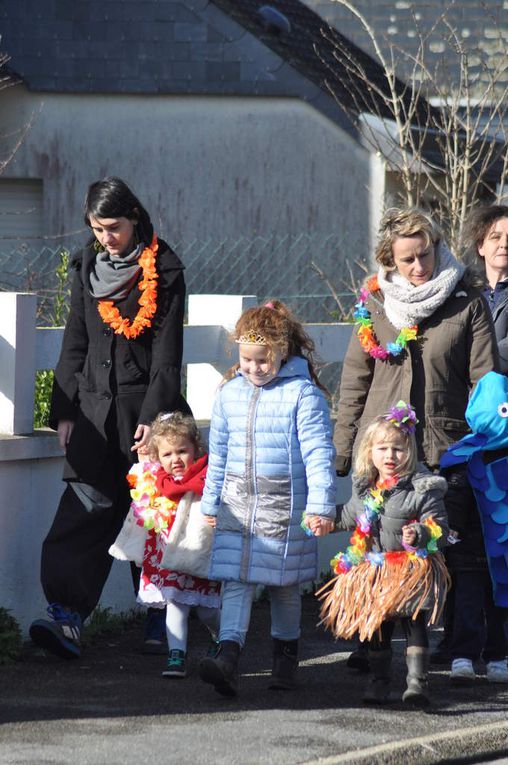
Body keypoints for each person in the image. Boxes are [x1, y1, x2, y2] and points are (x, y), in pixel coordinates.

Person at [29, 177, 190, 659]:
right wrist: (64, 413)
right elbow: (74, 341)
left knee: (152, 518)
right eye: (97, 228)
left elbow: (167, 356)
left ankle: (160, 619)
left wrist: (154, 418)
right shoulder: (84, 266)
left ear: (134, 218)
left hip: (147, 418)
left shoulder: (164, 268)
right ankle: (67, 621)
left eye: (114, 227)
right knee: (83, 515)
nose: (105, 237)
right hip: (93, 417)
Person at [333, 207, 498, 669]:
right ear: (389, 260)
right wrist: (345, 448)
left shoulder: (466, 301)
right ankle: (372, 644)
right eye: (407, 260)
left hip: (445, 447)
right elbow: (354, 381)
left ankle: (459, 648)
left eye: (424, 255)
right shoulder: (374, 306)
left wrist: (485, 443)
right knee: (374, 546)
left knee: (453, 545)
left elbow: (485, 382)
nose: (419, 267)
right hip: (381, 448)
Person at [198, 300, 336, 697]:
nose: (254, 368)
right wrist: (210, 503)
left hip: (285, 509)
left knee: (283, 586)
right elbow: (218, 453)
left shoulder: (302, 395)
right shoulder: (229, 394)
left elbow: (318, 453)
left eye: (263, 360)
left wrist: (321, 505)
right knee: (236, 580)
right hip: (236, 506)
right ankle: (227, 656)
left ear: (282, 352)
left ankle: (285, 657)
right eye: (246, 360)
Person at [319, 402, 449, 706]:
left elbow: (440, 526)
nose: (390, 456)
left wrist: (421, 533)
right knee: (378, 628)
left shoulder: (422, 489)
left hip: (409, 571)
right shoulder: (364, 489)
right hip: (375, 571)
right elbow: (350, 516)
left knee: (414, 625)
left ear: (410, 453)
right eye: (382, 449)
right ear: (370, 453)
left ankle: (417, 683)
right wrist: (325, 520)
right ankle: (378, 682)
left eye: (398, 449)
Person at [110, 411, 221, 677]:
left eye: (182, 451)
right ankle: (176, 655)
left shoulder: (206, 478)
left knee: (206, 609)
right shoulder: (156, 481)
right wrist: (145, 456)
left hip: (197, 554)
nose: (176, 459)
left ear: (196, 448)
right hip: (168, 556)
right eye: (167, 455)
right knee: (175, 602)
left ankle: (221, 637)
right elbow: (142, 480)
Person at [440, 371, 508, 685]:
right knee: (467, 604)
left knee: (500, 607)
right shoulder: (464, 458)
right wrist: (450, 530)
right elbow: (455, 499)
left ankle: (497, 657)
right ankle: (462, 656)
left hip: (501, 553)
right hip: (468, 549)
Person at [465, 204, 508, 374]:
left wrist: (463, 361)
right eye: (496, 237)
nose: (504, 244)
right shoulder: (463, 292)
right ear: (480, 246)